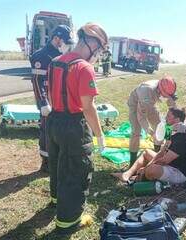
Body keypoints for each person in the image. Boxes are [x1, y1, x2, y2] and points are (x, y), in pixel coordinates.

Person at [46, 22, 108, 234]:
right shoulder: (84, 68)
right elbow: (88, 108)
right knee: (75, 169)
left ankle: (56, 199)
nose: (98, 54)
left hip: (53, 121)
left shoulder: (54, 62)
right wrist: (100, 135)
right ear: (90, 42)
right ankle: (69, 220)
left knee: (57, 162)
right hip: (74, 125)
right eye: (99, 49)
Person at [30, 25, 74, 172]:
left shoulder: (62, 55)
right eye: (64, 41)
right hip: (48, 101)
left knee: (59, 131)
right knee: (46, 131)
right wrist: (43, 102)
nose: (65, 45)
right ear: (56, 38)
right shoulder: (41, 56)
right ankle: (47, 162)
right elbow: (37, 81)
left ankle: (57, 159)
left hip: (61, 100)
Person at [112, 108, 186, 185]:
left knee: (152, 169)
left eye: (168, 116)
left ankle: (139, 178)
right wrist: (147, 166)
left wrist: (146, 169)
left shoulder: (181, 137)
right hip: (172, 165)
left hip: (179, 172)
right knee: (146, 152)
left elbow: (164, 161)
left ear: (177, 120)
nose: (165, 118)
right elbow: (161, 152)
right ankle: (126, 175)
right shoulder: (173, 132)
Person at [128, 76, 177, 167]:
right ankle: (132, 162)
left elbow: (175, 111)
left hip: (151, 102)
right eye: (165, 95)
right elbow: (141, 117)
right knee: (136, 132)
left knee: (159, 127)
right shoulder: (146, 92)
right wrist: (150, 132)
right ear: (160, 90)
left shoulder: (167, 86)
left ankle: (156, 155)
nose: (165, 97)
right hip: (136, 104)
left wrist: (172, 105)